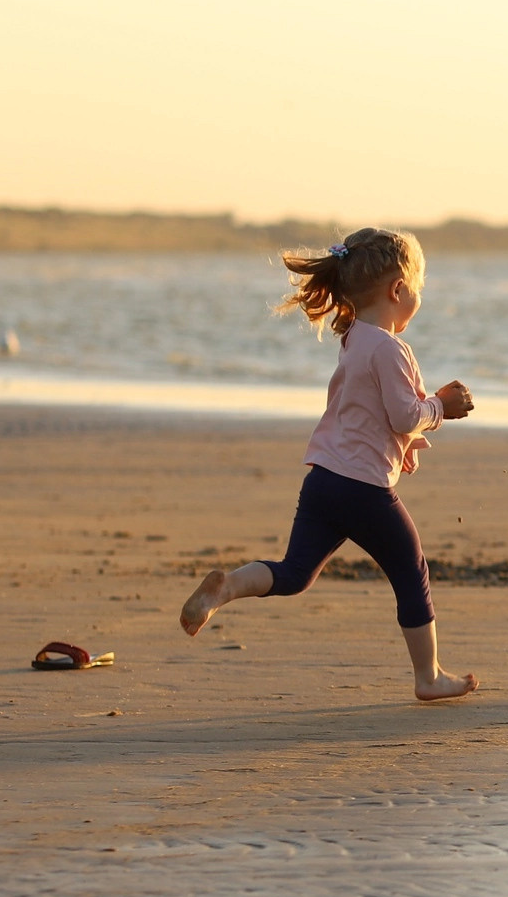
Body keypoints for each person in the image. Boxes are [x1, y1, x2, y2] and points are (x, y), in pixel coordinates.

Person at [179, 227, 479, 700]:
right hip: (364, 489)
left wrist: (413, 429)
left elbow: (369, 409)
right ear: (397, 289)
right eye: (418, 287)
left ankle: (229, 586)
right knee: (410, 570)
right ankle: (429, 676)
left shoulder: (355, 338)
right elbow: (404, 415)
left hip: (322, 481)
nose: (418, 296)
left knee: (295, 572)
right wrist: (442, 408)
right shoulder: (390, 348)